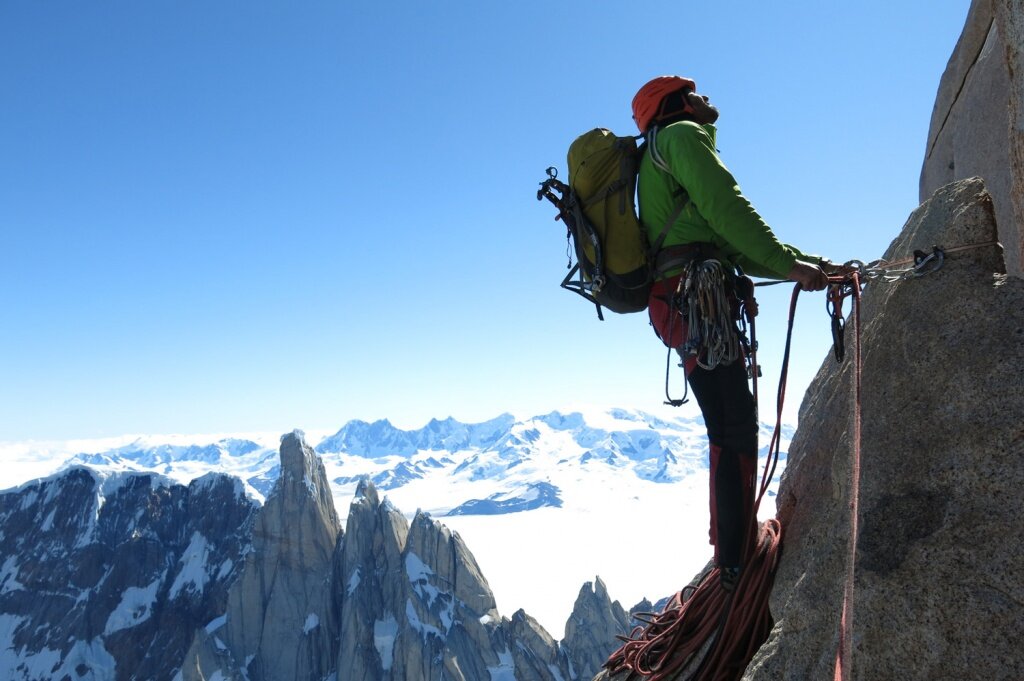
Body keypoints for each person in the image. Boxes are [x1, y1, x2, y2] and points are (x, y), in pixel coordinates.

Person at [631, 75, 845, 590]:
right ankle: (734, 562)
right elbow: (733, 213)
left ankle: (731, 550)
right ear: (674, 104)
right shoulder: (681, 138)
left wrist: (809, 265)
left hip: (686, 300)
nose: (706, 96)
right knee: (732, 424)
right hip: (696, 300)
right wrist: (789, 265)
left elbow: (730, 241)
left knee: (731, 422)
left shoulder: (667, 149)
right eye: (693, 90)